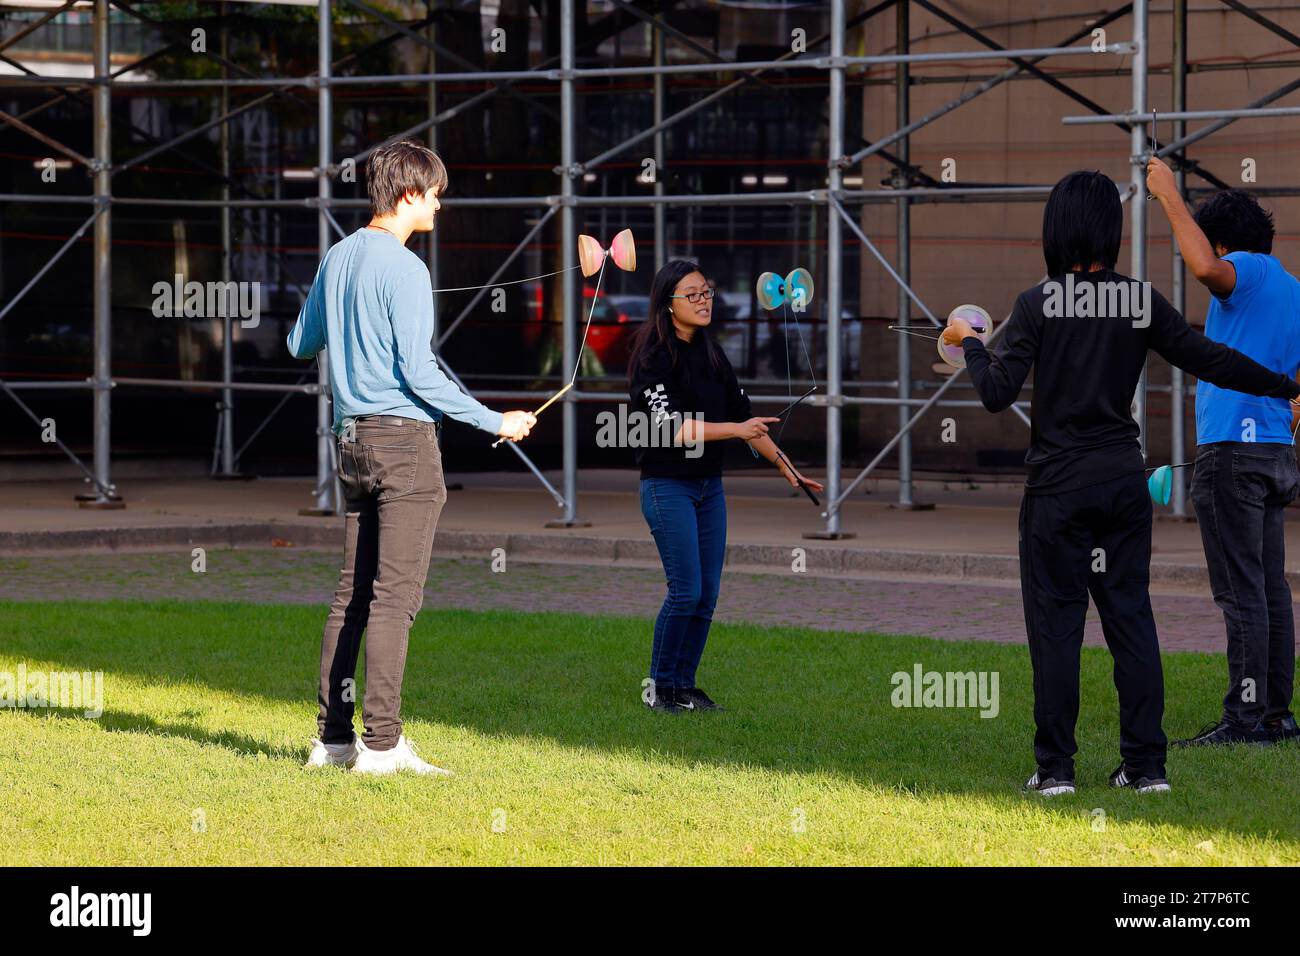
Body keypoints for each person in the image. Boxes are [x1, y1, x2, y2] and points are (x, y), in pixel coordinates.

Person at [942, 170, 1300, 795]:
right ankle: (1145, 767)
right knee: (1131, 621)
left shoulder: (1039, 303)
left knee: (1055, 628)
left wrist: (971, 344)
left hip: (1057, 490)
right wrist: (1286, 385)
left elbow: (997, 393)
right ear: (1111, 229)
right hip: (1122, 486)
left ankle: (1054, 771)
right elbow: (1207, 357)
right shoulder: (1137, 300)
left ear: (1056, 229)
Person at [288, 139, 535, 775]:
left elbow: (298, 342)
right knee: (395, 596)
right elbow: (419, 373)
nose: (439, 208)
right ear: (408, 195)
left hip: (351, 444)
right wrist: (495, 421)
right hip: (402, 446)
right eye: (435, 197)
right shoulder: (405, 266)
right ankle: (381, 744)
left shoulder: (337, 255)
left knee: (352, 595)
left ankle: (333, 740)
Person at [1147, 162, 1300, 746]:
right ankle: (1275, 715)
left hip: (1233, 452)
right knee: (1268, 588)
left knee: (1241, 592)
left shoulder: (1250, 272)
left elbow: (1204, 266)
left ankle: (1243, 721)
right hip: (1275, 453)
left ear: (1227, 243)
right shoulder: (1291, 287)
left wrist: (1168, 196)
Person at [628, 258, 823, 714]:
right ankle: (661, 688)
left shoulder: (713, 354)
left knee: (707, 595)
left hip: (707, 488)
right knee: (686, 591)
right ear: (668, 304)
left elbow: (746, 420)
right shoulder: (653, 358)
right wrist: (736, 431)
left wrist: (785, 467)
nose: (703, 301)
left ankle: (685, 685)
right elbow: (670, 429)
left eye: (707, 292)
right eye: (692, 294)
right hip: (667, 485)